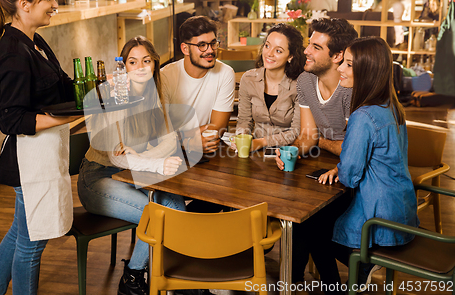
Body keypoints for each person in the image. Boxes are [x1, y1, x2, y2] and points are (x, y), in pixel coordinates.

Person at [0, 0, 81, 295]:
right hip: (28, 164)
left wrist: (101, 93)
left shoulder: (33, 41)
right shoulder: (12, 52)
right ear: (24, 4)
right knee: (31, 243)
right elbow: (12, 121)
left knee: (19, 234)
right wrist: (69, 116)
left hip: (43, 157)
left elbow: (64, 85)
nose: (55, 4)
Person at [77, 36, 187, 295]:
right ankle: (133, 278)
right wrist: (157, 163)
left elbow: (170, 140)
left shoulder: (158, 92)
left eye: (146, 61)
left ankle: (175, 276)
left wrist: (142, 156)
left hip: (132, 171)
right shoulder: (113, 95)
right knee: (154, 213)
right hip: (97, 178)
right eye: (132, 61)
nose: (140, 67)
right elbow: (115, 157)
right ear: (123, 66)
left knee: (176, 204)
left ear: (154, 64)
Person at [318, 37, 419, 289]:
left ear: (368, 70)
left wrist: (340, 167)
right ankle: (361, 267)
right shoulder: (392, 107)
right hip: (401, 212)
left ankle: (356, 270)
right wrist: (341, 167)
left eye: (349, 64)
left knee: (312, 230)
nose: (340, 67)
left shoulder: (362, 116)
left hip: (377, 221)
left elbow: (350, 177)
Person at [274, 18, 358, 294]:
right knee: (297, 213)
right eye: (309, 43)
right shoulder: (306, 81)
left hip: (353, 176)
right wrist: (292, 151)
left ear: (337, 56)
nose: (306, 51)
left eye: (315, 46)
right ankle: (299, 281)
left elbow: (353, 149)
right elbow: (308, 135)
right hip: (323, 170)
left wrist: (322, 142)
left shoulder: (351, 90)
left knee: (309, 222)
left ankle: (305, 283)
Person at [161, 16, 235, 154]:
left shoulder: (225, 73)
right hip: (169, 153)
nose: (210, 50)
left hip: (207, 149)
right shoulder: (164, 76)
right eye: (202, 45)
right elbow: (160, 135)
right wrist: (187, 142)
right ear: (185, 49)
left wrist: (179, 136)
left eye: (213, 43)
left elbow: (218, 128)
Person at [234, 23, 305, 152]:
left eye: (278, 51)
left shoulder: (299, 85)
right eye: (267, 46)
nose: (269, 53)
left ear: (290, 56)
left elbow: (296, 131)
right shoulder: (248, 79)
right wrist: (242, 137)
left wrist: (261, 142)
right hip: (254, 151)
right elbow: (244, 120)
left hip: (288, 152)